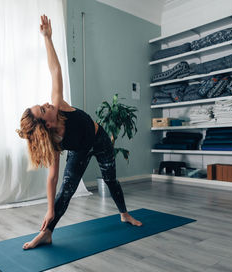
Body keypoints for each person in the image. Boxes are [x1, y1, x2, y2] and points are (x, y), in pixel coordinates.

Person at [16, 15, 142, 250]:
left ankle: (124, 213)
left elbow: (55, 69)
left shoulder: (58, 105)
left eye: (42, 104)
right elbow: (52, 178)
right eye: (43, 109)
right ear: (47, 125)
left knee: (111, 178)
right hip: (80, 150)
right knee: (66, 190)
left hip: (100, 139)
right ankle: (46, 234)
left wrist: (47, 38)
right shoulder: (54, 140)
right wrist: (50, 208)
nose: (47, 103)